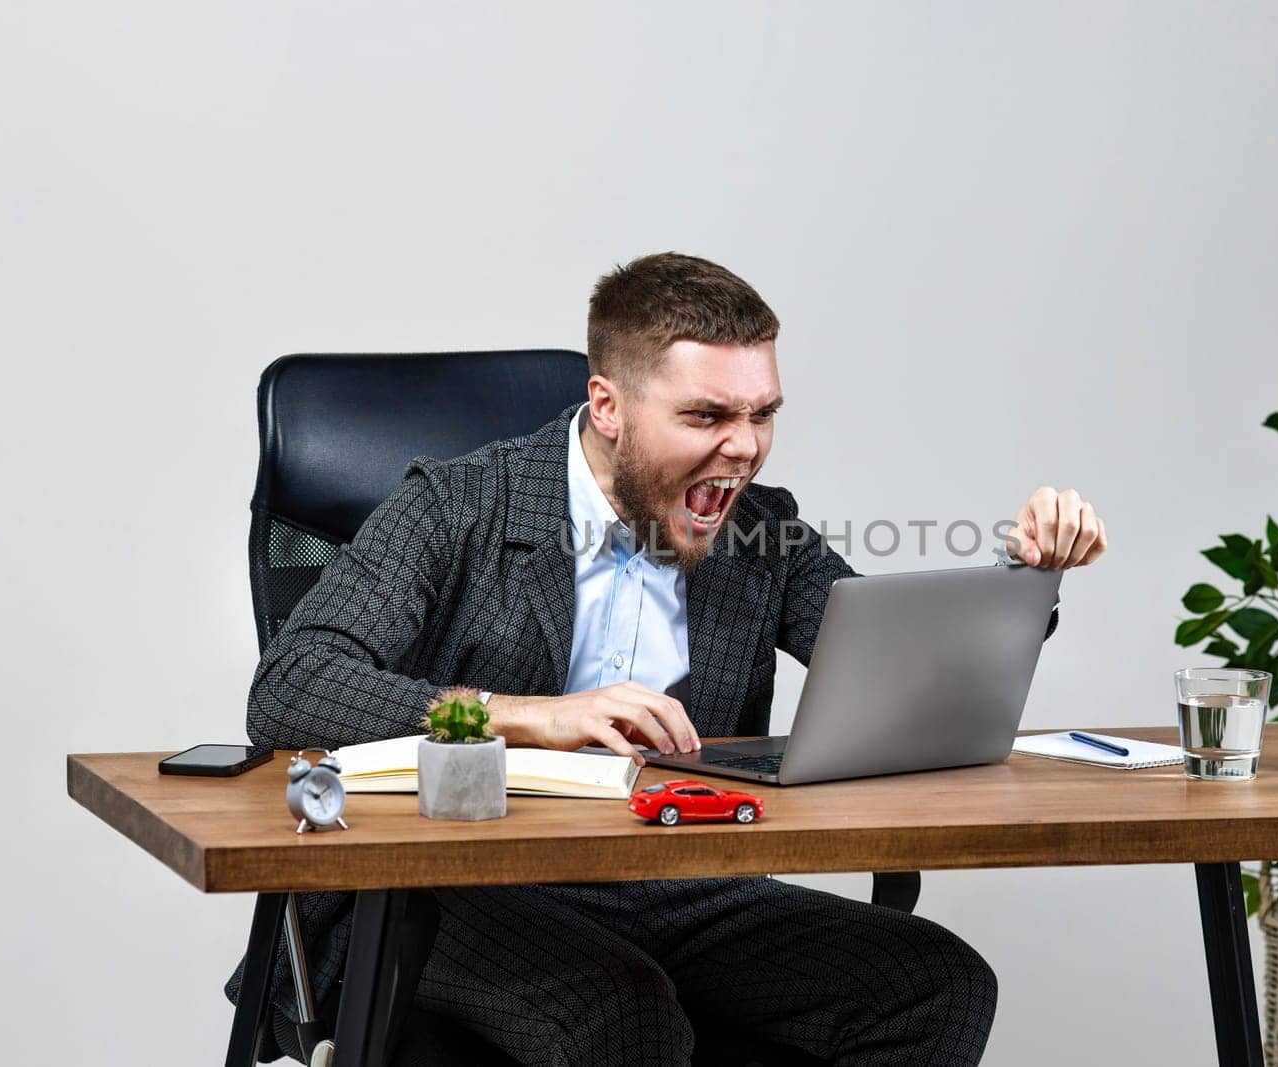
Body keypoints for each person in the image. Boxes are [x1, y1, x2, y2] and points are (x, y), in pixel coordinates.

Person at [226, 252, 1108, 1066]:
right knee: (622, 1013)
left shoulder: (761, 528)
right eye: (708, 415)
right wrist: (527, 713)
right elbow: (291, 686)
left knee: (934, 987)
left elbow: (899, 673)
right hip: (454, 886)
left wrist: (1025, 579)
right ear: (608, 407)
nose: (745, 446)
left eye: (763, 414)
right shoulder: (454, 504)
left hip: (677, 876)